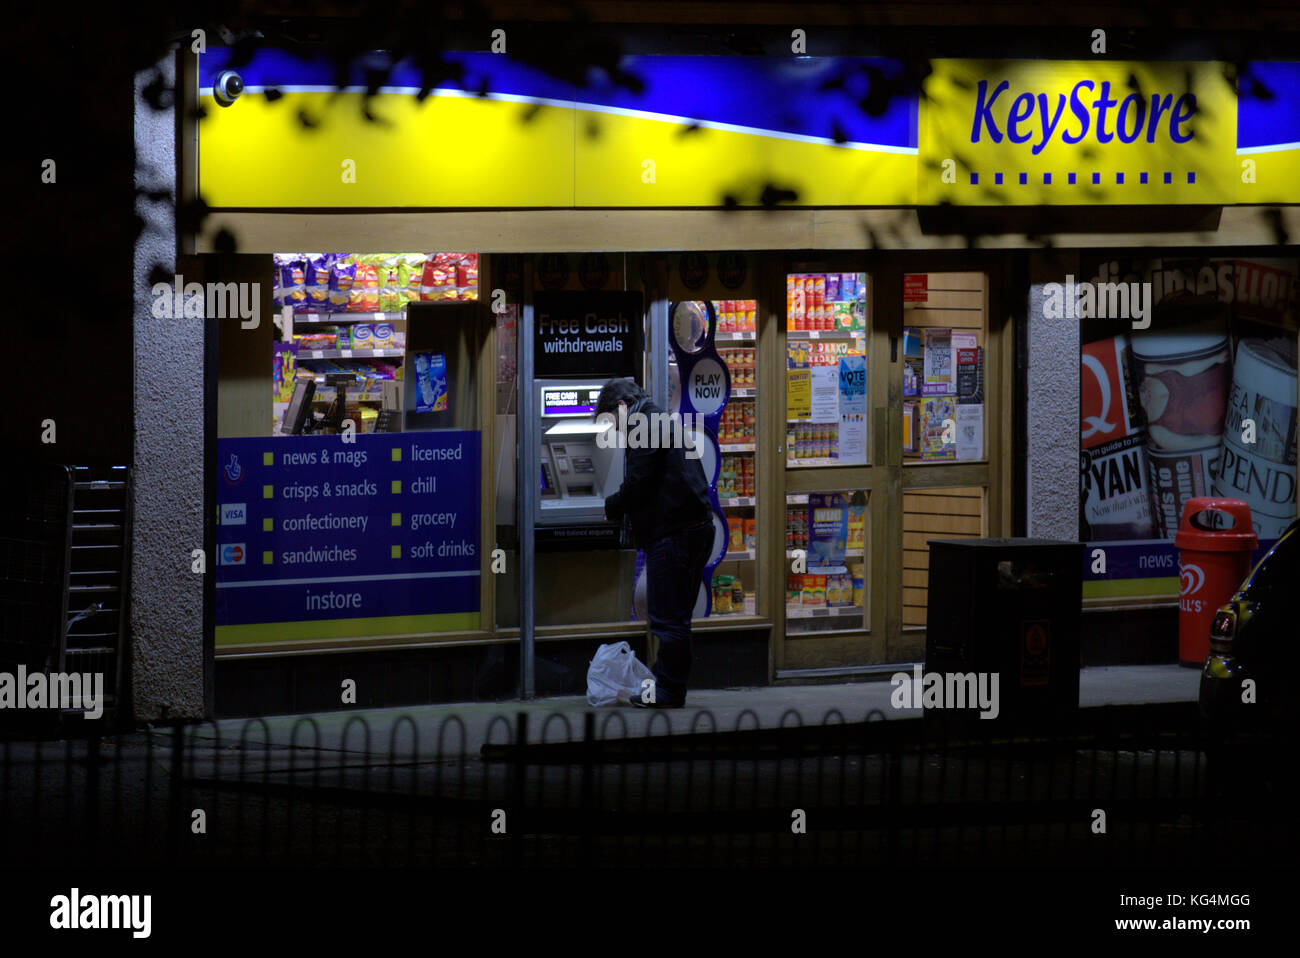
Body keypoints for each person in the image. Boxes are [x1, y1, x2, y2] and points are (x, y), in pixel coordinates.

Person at [596, 378, 713, 708]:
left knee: (667, 617)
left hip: (678, 534)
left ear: (621, 406)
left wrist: (611, 506)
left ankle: (668, 692)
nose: (616, 432)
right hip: (692, 529)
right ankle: (665, 684)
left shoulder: (644, 423)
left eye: (611, 423)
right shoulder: (656, 419)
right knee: (675, 616)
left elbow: (639, 483)